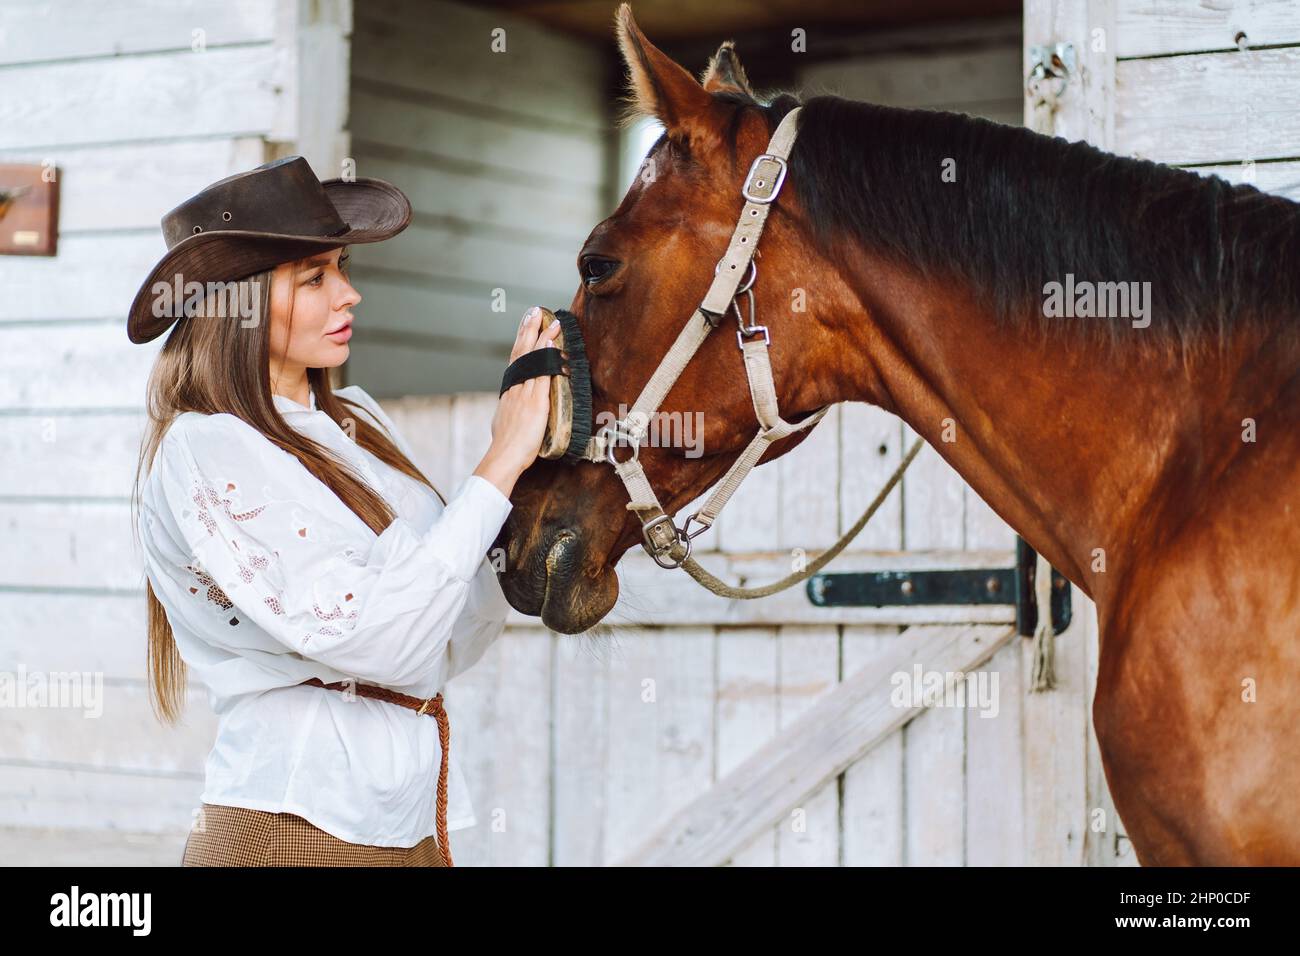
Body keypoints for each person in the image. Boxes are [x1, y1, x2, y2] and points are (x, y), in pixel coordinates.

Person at [126, 155, 558, 866]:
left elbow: (450, 632)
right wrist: (498, 460)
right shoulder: (207, 447)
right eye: (315, 278)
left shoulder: (353, 420)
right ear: (242, 304)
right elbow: (377, 638)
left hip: (406, 819)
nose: (349, 295)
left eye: (343, 270)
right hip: (296, 825)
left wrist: (534, 464)